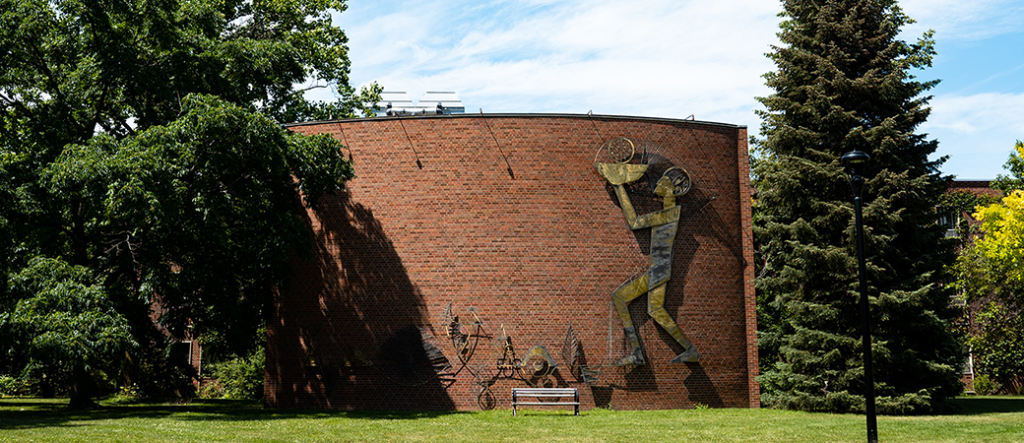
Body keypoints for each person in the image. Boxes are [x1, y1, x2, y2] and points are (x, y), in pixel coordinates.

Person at [596, 163, 700, 366]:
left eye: (662, 182)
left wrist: (619, 188)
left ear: (670, 190)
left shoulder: (670, 213)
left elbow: (634, 222)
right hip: (661, 269)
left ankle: (637, 353)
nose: (657, 185)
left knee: (619, 297)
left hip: (659, 270)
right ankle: (690, 350)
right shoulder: (669, 212)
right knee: (655, 311)